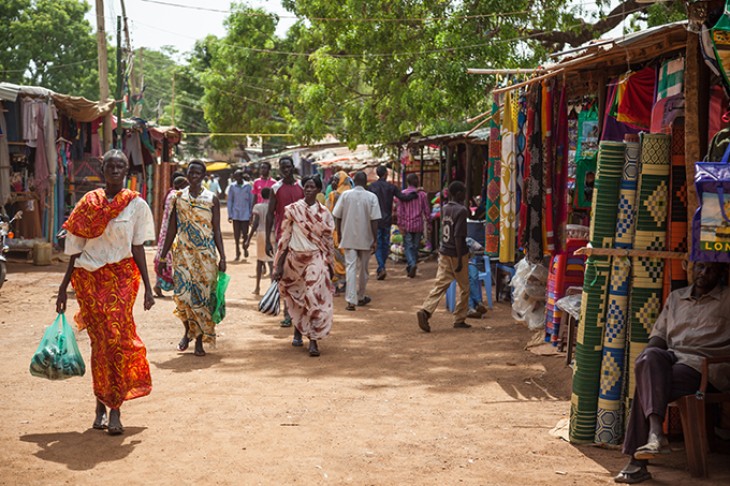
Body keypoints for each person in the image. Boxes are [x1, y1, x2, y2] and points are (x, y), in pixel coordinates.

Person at [56, 149, 155, 436]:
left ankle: (114, 409)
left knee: (117, 342)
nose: (115, 170)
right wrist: (63, 288)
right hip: (89, 280)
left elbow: (137, 247)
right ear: (102, 169)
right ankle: (101, 402)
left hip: (122, 281)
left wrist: (149, 287)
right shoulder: (88, 203)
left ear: (126, 170)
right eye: (110, 165)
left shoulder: (136, 205)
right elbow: (74, 248)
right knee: (101, 344)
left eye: (120, 166)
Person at [614, 261, 730, 484]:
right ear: (689, 268)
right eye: (700, 266)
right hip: (673, 358)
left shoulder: (727, 299)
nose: (703, 273)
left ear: (722, 273)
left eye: (711, 269)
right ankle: (655, 434)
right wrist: (643, 361)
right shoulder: (676, 298)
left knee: (646, 385)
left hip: (704, 366)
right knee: (648, 360)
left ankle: (639, 460)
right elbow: (659, 337)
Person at [158, 160, 227, 357]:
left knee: (202, 297)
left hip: (205, 256)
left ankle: (198, 341)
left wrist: (223, 256)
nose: (194, 176)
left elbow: (217, 230)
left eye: (198, 173)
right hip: (183, 255)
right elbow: (172, 228)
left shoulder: (211, 198)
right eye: (191, 173)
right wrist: (162, 257)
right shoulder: (178, 198)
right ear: (187, 175)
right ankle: (187, 330)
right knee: (183, 296)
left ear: (204, 176)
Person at [272, 176, 335, 357]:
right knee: (297, 298)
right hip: (294, 260)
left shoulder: (324, 214)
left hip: (315, 259)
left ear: (318, 190)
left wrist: (330, 263)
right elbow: (285, 237)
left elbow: (329, 241)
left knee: (312, 297)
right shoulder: (293, 210)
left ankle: (313, 340)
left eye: (312, 187)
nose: (308, 189)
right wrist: (279, 265)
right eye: (306, 186)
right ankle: (298, 331)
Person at [416, 181, 472, 332]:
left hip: (444, 251)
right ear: (458, 193)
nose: (465, 195)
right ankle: (459, 318)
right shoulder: (462, 210)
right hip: (456, 253)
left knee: (440, 284)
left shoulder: (445, 208)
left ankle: (426, 310)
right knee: (465, 288)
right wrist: (460, 259)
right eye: (464, 192)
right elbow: (459, 236)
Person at [332, 171, 382, 311]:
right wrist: (375, 239)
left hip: (348, 237)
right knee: (364, 270)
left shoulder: (345, 195)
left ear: (354, 180)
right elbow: (374, 220)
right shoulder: (372, 197)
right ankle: (360, 296)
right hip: (365, 238)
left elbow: (337, 216)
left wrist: (340, 234)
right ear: (366, 182)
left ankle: (351, 300)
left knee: (351, 268)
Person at [266, 156, 304, 327]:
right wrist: (268, 239)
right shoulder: (276, 188)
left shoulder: (302, 186)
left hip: (301, 238)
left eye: (288, 167)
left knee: (299, 274)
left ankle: (299, 310)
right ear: (280, 169)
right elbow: (269, 214)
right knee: (282, 273)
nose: (286, 170)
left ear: (293, 167)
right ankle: (286, 313)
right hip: (282, 238)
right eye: (283, 167)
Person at [368, 165, 417, 280]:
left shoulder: (371, 187)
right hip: (387, 220)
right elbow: (403, 198)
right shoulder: (391, 187)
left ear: (377, 174)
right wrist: (414, 194)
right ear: (386, 174)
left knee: (378, 244)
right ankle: (381, 266)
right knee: (385, 244)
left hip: (375, 220)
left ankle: (381, 267)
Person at [153, 173, 188, 297]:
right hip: (173, 231)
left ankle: (159, 284)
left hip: (165, 230)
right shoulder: (177, 196)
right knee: (174, 258)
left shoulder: (169, 194)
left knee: (165, 256)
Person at [395, 173, 430, 279]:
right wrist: (429, 223)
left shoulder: (403, 194)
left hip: (407, 224)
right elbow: (426, 210)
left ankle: (412, 264)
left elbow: (400, 211)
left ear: (407, 182)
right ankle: (412, 264)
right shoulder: (422, 195)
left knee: (408, 246)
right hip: (418, 224)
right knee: (415, 246)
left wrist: (400, 224)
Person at [327, 171, 353, 295]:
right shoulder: (352, 194)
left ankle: (336, 285)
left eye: (336, 180)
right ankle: (347, 283)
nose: (334, 183)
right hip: (350, 231)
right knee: (348, 259)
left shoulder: (334, 195)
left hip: (336, 232)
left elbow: (329, 212)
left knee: (335, 259)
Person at [244, 187, 274, 295]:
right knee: (271, 262)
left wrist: (248, 238)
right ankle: (272, 287)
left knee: (260, 261)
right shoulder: (273, 206)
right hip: (271, 234)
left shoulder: (258, 206)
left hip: (261, 234)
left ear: (261, 195)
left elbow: (255, 223)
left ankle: (257, 287)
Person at [227, 169, 254, 261]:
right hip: (236, 214)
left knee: (245, 234)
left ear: (242, 176)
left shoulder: (248, 186)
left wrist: (251, 213)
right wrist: (230, 214)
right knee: (236, 235)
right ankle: (237, 252)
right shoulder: (232, 187)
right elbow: (230, 200)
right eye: (235, 177)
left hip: (245, 214)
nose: (237, 178)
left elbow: (251, 200)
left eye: (238, 176)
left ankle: (245, 247)